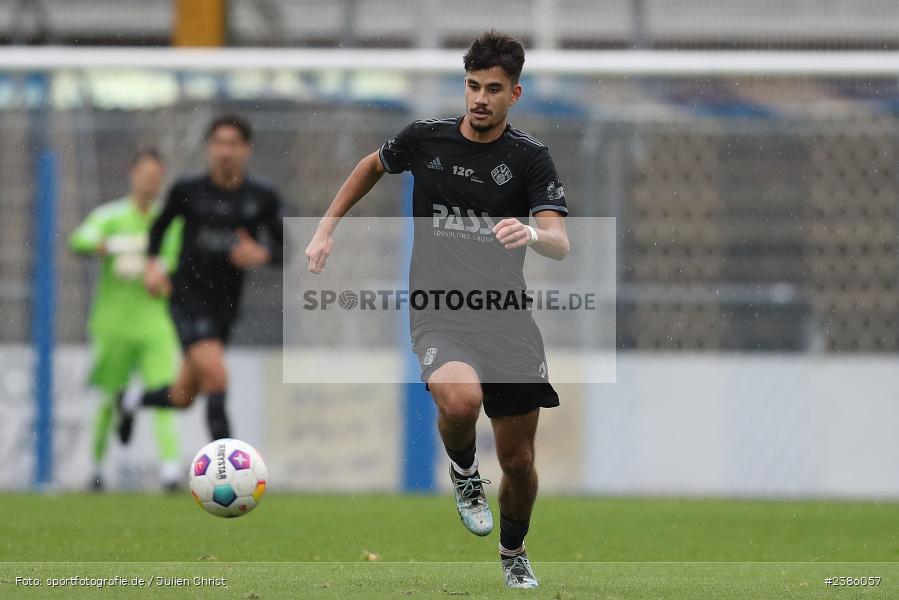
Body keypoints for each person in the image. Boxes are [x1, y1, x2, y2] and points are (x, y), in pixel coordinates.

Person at [304, 30, 569, 588]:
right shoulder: (425, 138)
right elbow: (372, 165)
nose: (480, 98)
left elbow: (559, 241)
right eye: (473, 86)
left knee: (519, 462)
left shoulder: (529, 157)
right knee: (461, 399)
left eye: (493, 89)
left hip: (507, 321)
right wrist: (326, 228)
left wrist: (530, 232)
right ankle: (465, 472)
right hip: (439, 310)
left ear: (514, 94)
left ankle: (513, 550)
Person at [118, 114, 284, 443]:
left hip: (226, 305)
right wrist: (152, 266)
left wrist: (261, 254)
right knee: (217, 377)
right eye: (219, 143)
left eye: (233, 144)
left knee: (183, 396)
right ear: (209, 148)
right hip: (186, 298)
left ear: (246, 149)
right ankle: (227, 464)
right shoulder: (188, 190)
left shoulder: (261, 197)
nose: (225, 151)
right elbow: (158, 230)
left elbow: (283, 249)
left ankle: (129, 400)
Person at [69, 149, 183, 491]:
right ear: (132, 174)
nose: (150, 181)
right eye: (145, 173)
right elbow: (80, 239)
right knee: (109, 396)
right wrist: (106, 246)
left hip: (155, 324)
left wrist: (159, 272)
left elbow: (176, 260)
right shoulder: (111, 216)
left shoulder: (168, 220)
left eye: (156, 175)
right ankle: (97, 468)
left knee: (165, 393)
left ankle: (170, 472)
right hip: (114, 324)